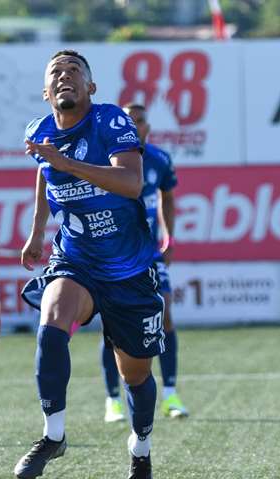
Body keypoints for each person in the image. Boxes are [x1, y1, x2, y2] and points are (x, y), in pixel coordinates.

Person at [14, 50, 164, 479]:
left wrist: (67, 165)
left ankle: (140, 450)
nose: (65, 77)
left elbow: (131, 183)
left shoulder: (111, 121)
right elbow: (45, 174)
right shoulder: (38, 132)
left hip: (129, 268)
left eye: (74, 71)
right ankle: (54, 435)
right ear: (45, 92)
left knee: (135, 375)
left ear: (90, 88)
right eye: (55, 73)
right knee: (53, 320)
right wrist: (38, 229)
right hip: (75, 260)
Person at [99, 103, 187, 424]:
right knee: (112, 326)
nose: (135, 125)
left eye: (140, 120)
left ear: (148, 127)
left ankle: (171, 394)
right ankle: (113, 400)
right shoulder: (105, 157)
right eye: (129, 120)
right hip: (115, 255)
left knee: (164, 311)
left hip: (148, 252)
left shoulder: (159, 160)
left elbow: (168, 196)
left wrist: (169, 237)